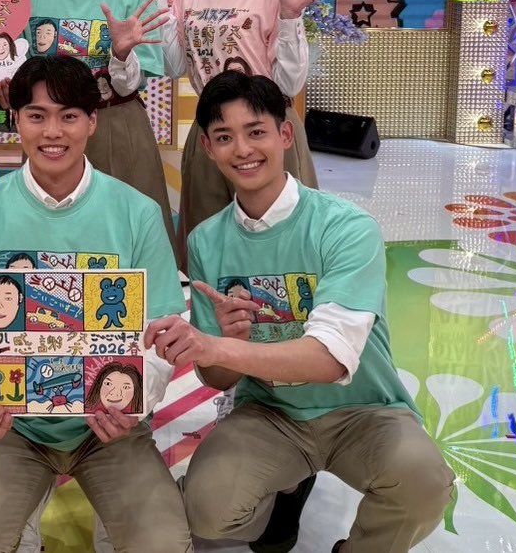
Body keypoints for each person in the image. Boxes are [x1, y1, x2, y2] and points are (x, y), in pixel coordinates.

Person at [144, 72, 453, 553]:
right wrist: (226, 343)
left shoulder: (346, 227)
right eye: (224, 137)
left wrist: (220, 347)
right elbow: (218, 377)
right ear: (208, 148)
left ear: (285, 134)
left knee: (423, 483)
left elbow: (329, 359)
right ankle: (285, 487)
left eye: (256, 131)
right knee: (207, 509)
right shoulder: (206, 240)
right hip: (271, 414)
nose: (242, 149)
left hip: (363, 410)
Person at [0, 55, 191, 553]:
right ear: (16, 121)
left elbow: (163, 329)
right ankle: (23, 516)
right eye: (36, 116)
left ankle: (114, 523)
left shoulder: (138, 212)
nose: (52, 132)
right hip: (14, 426)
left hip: (111, 427)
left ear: (92, 122)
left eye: (69, 116)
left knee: (162, 544)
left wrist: (134, 402)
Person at [146, 0, 336, 261]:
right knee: (207, 238)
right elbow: (175, 65)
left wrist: (289, 14)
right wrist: (160, 0)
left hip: (266, 126)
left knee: (279, 239)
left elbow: (289, 83)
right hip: (211, 128)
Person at [20, 0, 175, 248]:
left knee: (130, 240)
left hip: (117, 126)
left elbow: (134, 83)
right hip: (50, 134)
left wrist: (121, 54)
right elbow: (11, 66)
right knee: (48, 242)